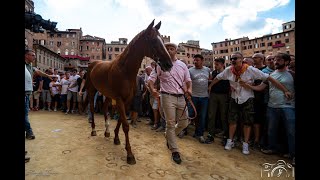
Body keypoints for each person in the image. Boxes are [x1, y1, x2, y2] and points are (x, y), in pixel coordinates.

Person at [208, 52, 292, 155]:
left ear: (241, 59)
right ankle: (230, 141)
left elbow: (269, 78)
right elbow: (218, 78)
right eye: (232, 58)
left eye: (236, 58)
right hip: (235, 98)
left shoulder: (250, 70)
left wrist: (285, 90)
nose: (233, 60)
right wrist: (210, 86)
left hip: (248, 99)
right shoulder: (228, 70)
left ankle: (245, 144)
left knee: (247, 122)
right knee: (232, 121)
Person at [148, 42, 192, 164]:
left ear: (175, 51)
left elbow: (188, 80)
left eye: (171, 49)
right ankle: (174, 150)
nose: (169, 51)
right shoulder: (159, 65)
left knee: (184, 122)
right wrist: (153, 91)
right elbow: (151, 81)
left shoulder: (182, 65)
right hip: (167, 97)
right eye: (166, 49)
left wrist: (189, 90)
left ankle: (168, 136)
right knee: (170, 124)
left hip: (181, 97)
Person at [25, 48, 53, 140]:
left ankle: (29, 132)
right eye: (32, 55)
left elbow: (37, 71)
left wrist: (47, 75)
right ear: (26, 55)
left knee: (25, 114)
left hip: (27, 92)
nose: (35, 57)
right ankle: (29, 132)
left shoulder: (30, 66)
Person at [187, 54, 211, 143]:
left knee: (202, 116)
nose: (195, 62)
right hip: (193, 97)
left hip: (204, 97)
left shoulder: (207, 70)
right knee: (189, 114)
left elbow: (210, 80)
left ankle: (199, 134)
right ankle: (183, 130)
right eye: (194, 60)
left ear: (202, 61)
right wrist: (188, 94)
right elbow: (187, 82)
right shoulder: (190, 70)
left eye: (197, 60)